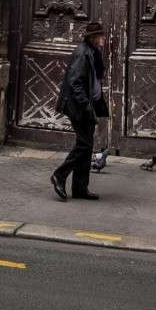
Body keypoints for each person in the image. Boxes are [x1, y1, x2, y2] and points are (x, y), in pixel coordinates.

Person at [50, 22, 109, 201]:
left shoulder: (93, 52)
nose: (103, 38)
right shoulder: (82, 53)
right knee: (84, 144)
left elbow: (95, 77)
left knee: (87, 145)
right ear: (92, 38)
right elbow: (75, 82)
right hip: (79, 106)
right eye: (100, 36)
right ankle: (59, 175)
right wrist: (86, 105)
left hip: (88, 104)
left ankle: (80, 188)